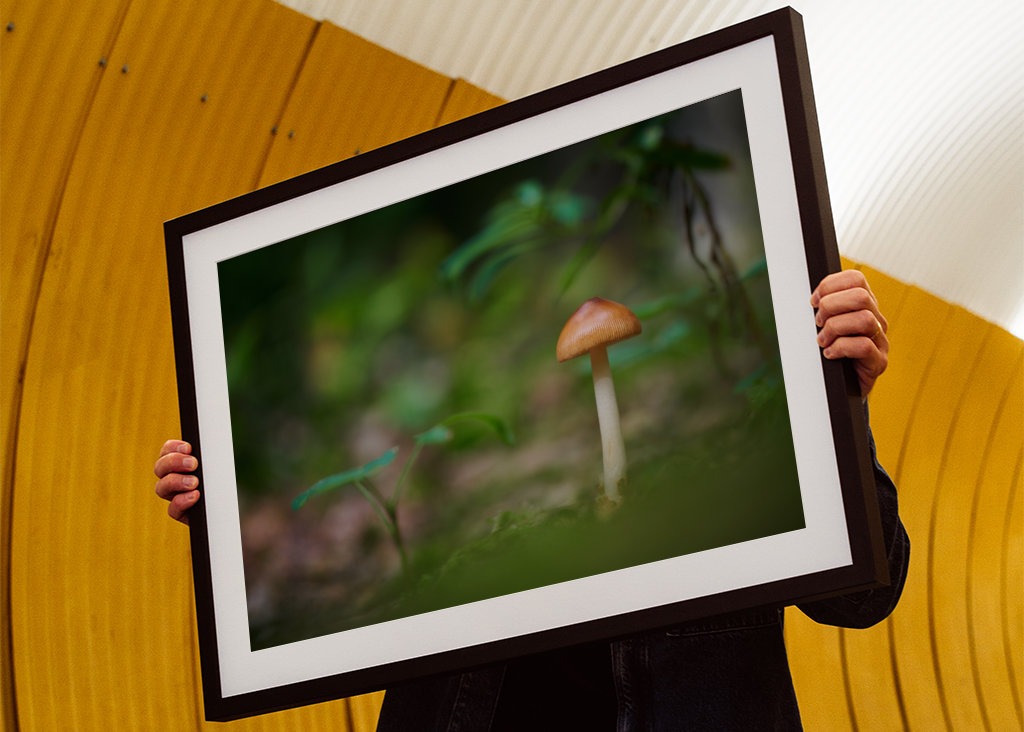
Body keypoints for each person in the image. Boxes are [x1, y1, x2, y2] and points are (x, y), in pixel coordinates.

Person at [154, 270, 909, 731]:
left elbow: (865, 596)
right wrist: (226, 527)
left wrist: (838, 406)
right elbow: (346, 604)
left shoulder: (736, 461)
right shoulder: (471, 526)